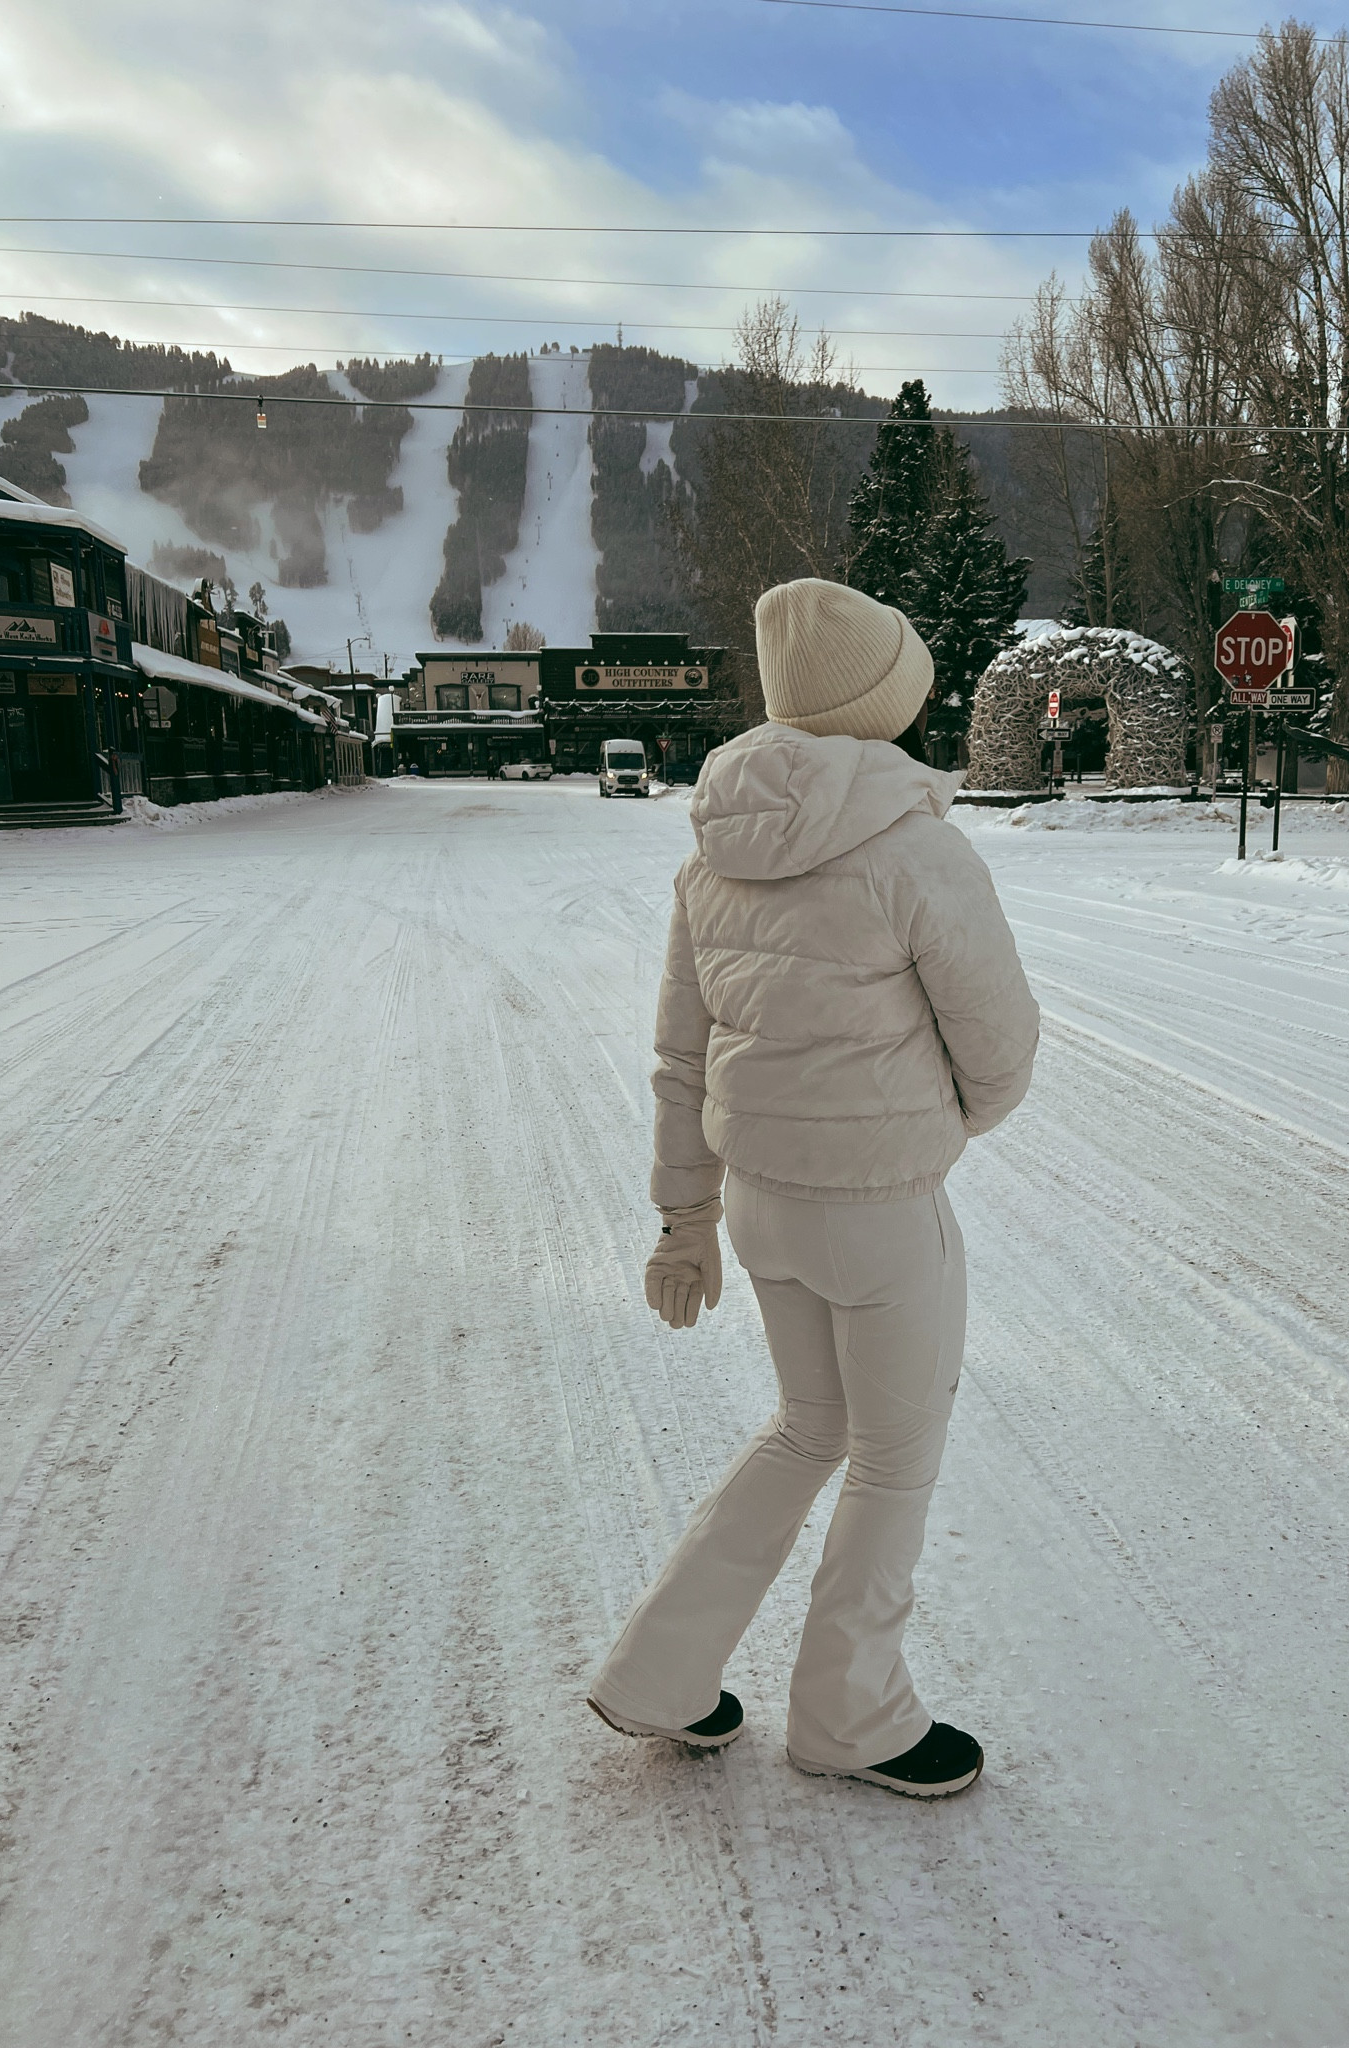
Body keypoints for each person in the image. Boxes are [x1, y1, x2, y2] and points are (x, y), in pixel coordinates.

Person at [588, 578, 1040, 1799]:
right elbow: (1001, 1051)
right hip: (883, 1211)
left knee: (806, 1428)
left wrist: (687, 1218)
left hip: (760, 1200)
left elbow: (682, 1055)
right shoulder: (915, 847)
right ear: (885, 700)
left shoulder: (711, 853)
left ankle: (660, 1672)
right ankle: (853, 1713)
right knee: (892, 1457)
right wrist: (929, 1130)